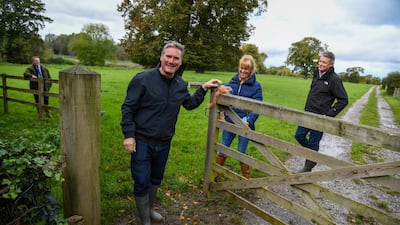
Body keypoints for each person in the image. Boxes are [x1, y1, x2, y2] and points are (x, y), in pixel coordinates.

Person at [120, 41, 222, 225]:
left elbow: (189, 104)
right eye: (169, 56)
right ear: (161, 57)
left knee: (156, 178)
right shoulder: (142, 79)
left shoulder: (180, 84)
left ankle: (149, 210)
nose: (171, 61)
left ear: (180, 62)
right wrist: (129, 135)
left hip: (164, 141)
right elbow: (128, 108)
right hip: (141, 140)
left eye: (176, 58)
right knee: (142, 180)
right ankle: (144, 219)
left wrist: (203, 88)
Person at [294, 51, 348, 172]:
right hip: (308, 113)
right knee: (299, 135)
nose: (321, 64)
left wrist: (328, 115)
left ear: (331, 64)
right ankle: (314, 157)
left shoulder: (335, 80)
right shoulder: (316, 73)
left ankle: (307, 168)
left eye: (324, 62)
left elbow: (343, 100)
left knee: (314, 142)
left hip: (320, 117)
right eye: (320, 61)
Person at [215, 55, 263, 180]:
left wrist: (249, 120)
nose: (243, 71)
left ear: (251, 70)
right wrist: (222, 114)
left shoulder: (256, 86)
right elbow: (222, 99)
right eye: (241, 68)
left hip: (244, 123)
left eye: (246, 69)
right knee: (223, 147)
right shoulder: (232, 82)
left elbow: (258, 107)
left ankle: (246, 179)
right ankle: (214, 175)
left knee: (241, 151)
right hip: (230, 121)